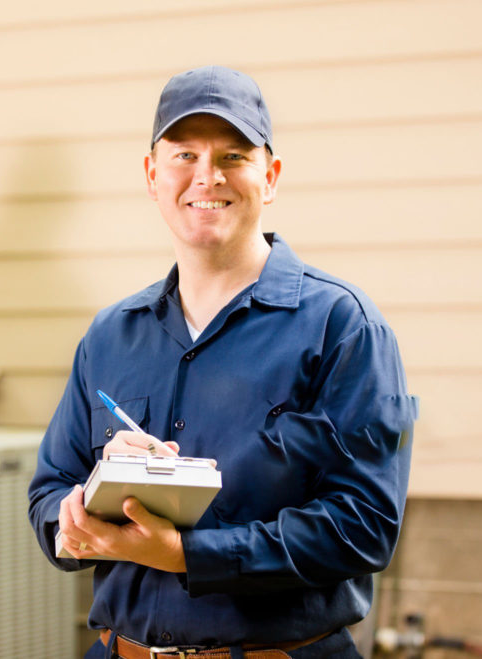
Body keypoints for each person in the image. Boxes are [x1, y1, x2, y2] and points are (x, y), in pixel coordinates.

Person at [28, 66, 417, 658]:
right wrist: (78, 513)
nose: (206, 176)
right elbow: (49, 492)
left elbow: (363, 526)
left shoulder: (341, 326)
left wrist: (186, 555)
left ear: (272, 176)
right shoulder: (110, 336)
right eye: (184, 154)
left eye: (233, 156)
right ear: (152, 174)